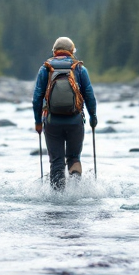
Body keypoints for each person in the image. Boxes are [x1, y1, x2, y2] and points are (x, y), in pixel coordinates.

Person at [32, 37, 98, 189]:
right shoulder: (79, 69)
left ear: (54, 51)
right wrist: (93, 117)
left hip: (52, 122)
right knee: (74, 157)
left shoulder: (45, 69)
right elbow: (89, 96)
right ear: (72, 51)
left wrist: (38, 122)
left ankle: (58, 196)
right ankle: (75, 191)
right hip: (75, 121)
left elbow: (37, 98)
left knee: (56, 161)